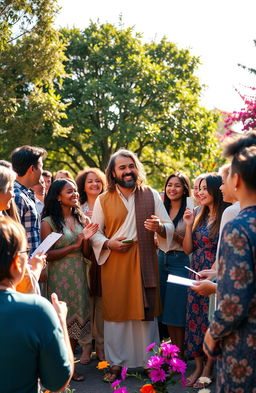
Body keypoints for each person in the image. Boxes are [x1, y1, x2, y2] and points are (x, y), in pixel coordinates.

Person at [91, 149, 174, 382]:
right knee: (117, 313)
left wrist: (159, 228)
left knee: (144, 315)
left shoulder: (150, 194)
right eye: (122, 167)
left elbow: (168, 226)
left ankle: (150, 362)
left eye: (131, 166)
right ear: (113, 172)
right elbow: (95, 234)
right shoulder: (103, 199)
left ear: (136, 168)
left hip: (145, 259)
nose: (128, 171)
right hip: (115, 260)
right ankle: (116, 363)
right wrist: (109, 243)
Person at [204, 134, 256, 393]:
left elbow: (235, 300)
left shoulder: (238, 227)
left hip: (245, 345)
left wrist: (212, 333)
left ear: (236, 179)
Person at [0, 215, 73, 393]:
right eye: (26, 251)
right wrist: (61, 320)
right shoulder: (36, 310)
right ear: (17, 262)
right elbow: (57, 382)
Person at [41, 179, 98, 381]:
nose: (75, 194)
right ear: (58, 196)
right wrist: (74, 245)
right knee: (59, 319)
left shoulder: (81, 219)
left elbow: (86, 253)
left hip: (78, 273)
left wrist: (85, 240)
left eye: (75, 191)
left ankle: (70, 366)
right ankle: (56, 366)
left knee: (76, 316)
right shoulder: (48, 222)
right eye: (69, 192)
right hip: (58, 275)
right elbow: (45, 255)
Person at [183, 173, 228, 388]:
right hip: (195, 271)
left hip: (214, 272)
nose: (199, 192)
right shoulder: (198, 214)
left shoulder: (225, 215)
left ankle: (209, 369)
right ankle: (198, 366)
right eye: (197, 188)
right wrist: (189, 224)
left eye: (203, 188)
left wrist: (213, 270)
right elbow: (188, 249)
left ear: (215, 189)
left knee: (210, 319)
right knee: (194, 319)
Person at [158, 172, 191, 358]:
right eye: (169, 185)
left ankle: (181, 352)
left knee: (176, 308)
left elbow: (188, 247)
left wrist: (166, 232)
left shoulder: (189, 210)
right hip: (161, 258)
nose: (172, 189)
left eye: (177, 185)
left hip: (180, 261)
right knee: (164, 308)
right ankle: (173, 352)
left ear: (185, 189)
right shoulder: (161, 207)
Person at [76, 168, 106, 364]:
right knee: (86, 304)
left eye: (98, 181)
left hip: (104, 259)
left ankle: (101, 347)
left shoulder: (108, 204)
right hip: (83, 262)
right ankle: (86, 347)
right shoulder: (77, 208)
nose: (94, 184)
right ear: (83, 186)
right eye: (90, 181)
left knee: (102, 305)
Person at [0, 165, 45, 294]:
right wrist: (36, 267)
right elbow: (15, 283)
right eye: (10, 189)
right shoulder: (5, 230)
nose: (13, 195)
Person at [11, 145, 47, 255]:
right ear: (32, 169)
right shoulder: (17, 197)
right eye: (41, 166)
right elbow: (13, 239)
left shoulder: (26, 195)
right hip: (23, 267)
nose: (42, 171)